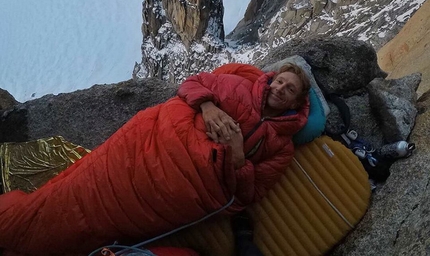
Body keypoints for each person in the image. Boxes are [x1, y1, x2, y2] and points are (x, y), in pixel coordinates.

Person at [0, 62, 310, 256]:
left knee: (92, 223)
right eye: (279, 81)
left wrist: (239, 156)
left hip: (183, 191)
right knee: (76, 193)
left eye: (289, 89)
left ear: (297, 103)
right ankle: (18, 226)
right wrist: (208, 108)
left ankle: (25, 235)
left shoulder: (281, 147)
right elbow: (189, 85)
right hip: (151, 142)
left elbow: (247, 197)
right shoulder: (236, 86)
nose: (279, 88)